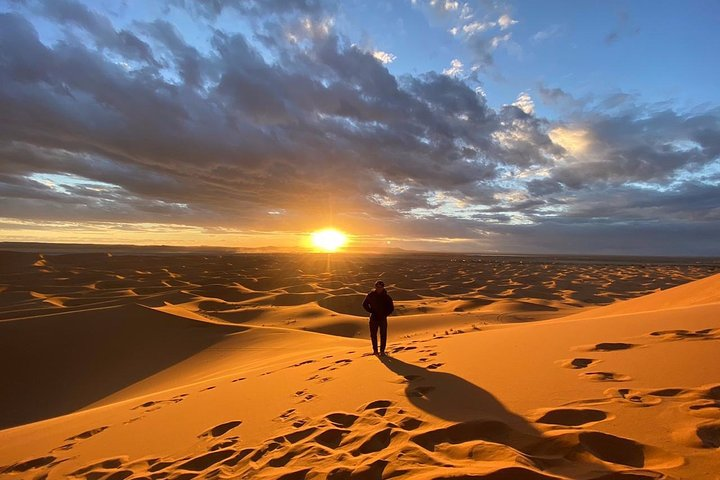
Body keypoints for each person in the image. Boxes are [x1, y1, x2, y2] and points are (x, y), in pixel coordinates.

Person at [362, 280, 394, 356]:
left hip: (382, 319)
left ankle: (382, 351)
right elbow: (364, 304)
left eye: (380, 287)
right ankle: (375, 351)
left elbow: (391, 308)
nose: (379, 288)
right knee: (373, 335)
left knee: (383, 334)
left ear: (383, 287)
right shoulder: (371, 295)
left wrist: (385, 314)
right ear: (375, 287)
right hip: (373, 318)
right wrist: (371, 311)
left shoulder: (386, 296)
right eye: (377, 287)